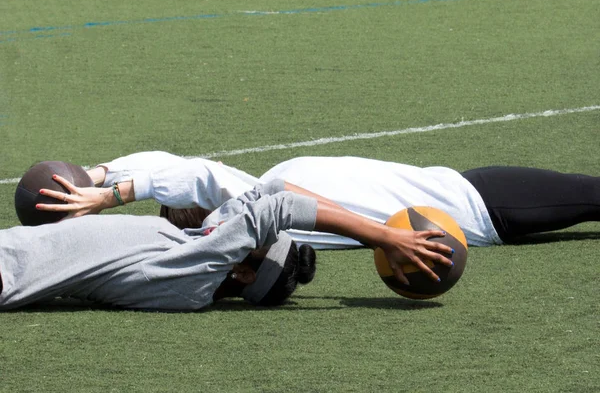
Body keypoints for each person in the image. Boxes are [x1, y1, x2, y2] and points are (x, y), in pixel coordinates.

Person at [1, 175, 454, 311]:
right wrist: (379, 229)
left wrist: (383, 235)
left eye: (249, 240)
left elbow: (278, 209)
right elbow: (274, 191)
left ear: (240, 270)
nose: (233, 221)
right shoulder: (190, 246)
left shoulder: (194, 273)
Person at [35, 151, 600, 248]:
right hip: (482, 213)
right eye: (177, 213)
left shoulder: (262, 184)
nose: (178, 208)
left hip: (468, 189)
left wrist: (100, 178)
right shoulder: (263, 210)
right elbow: (196, 176)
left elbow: (186, 169)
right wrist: (115, 194)